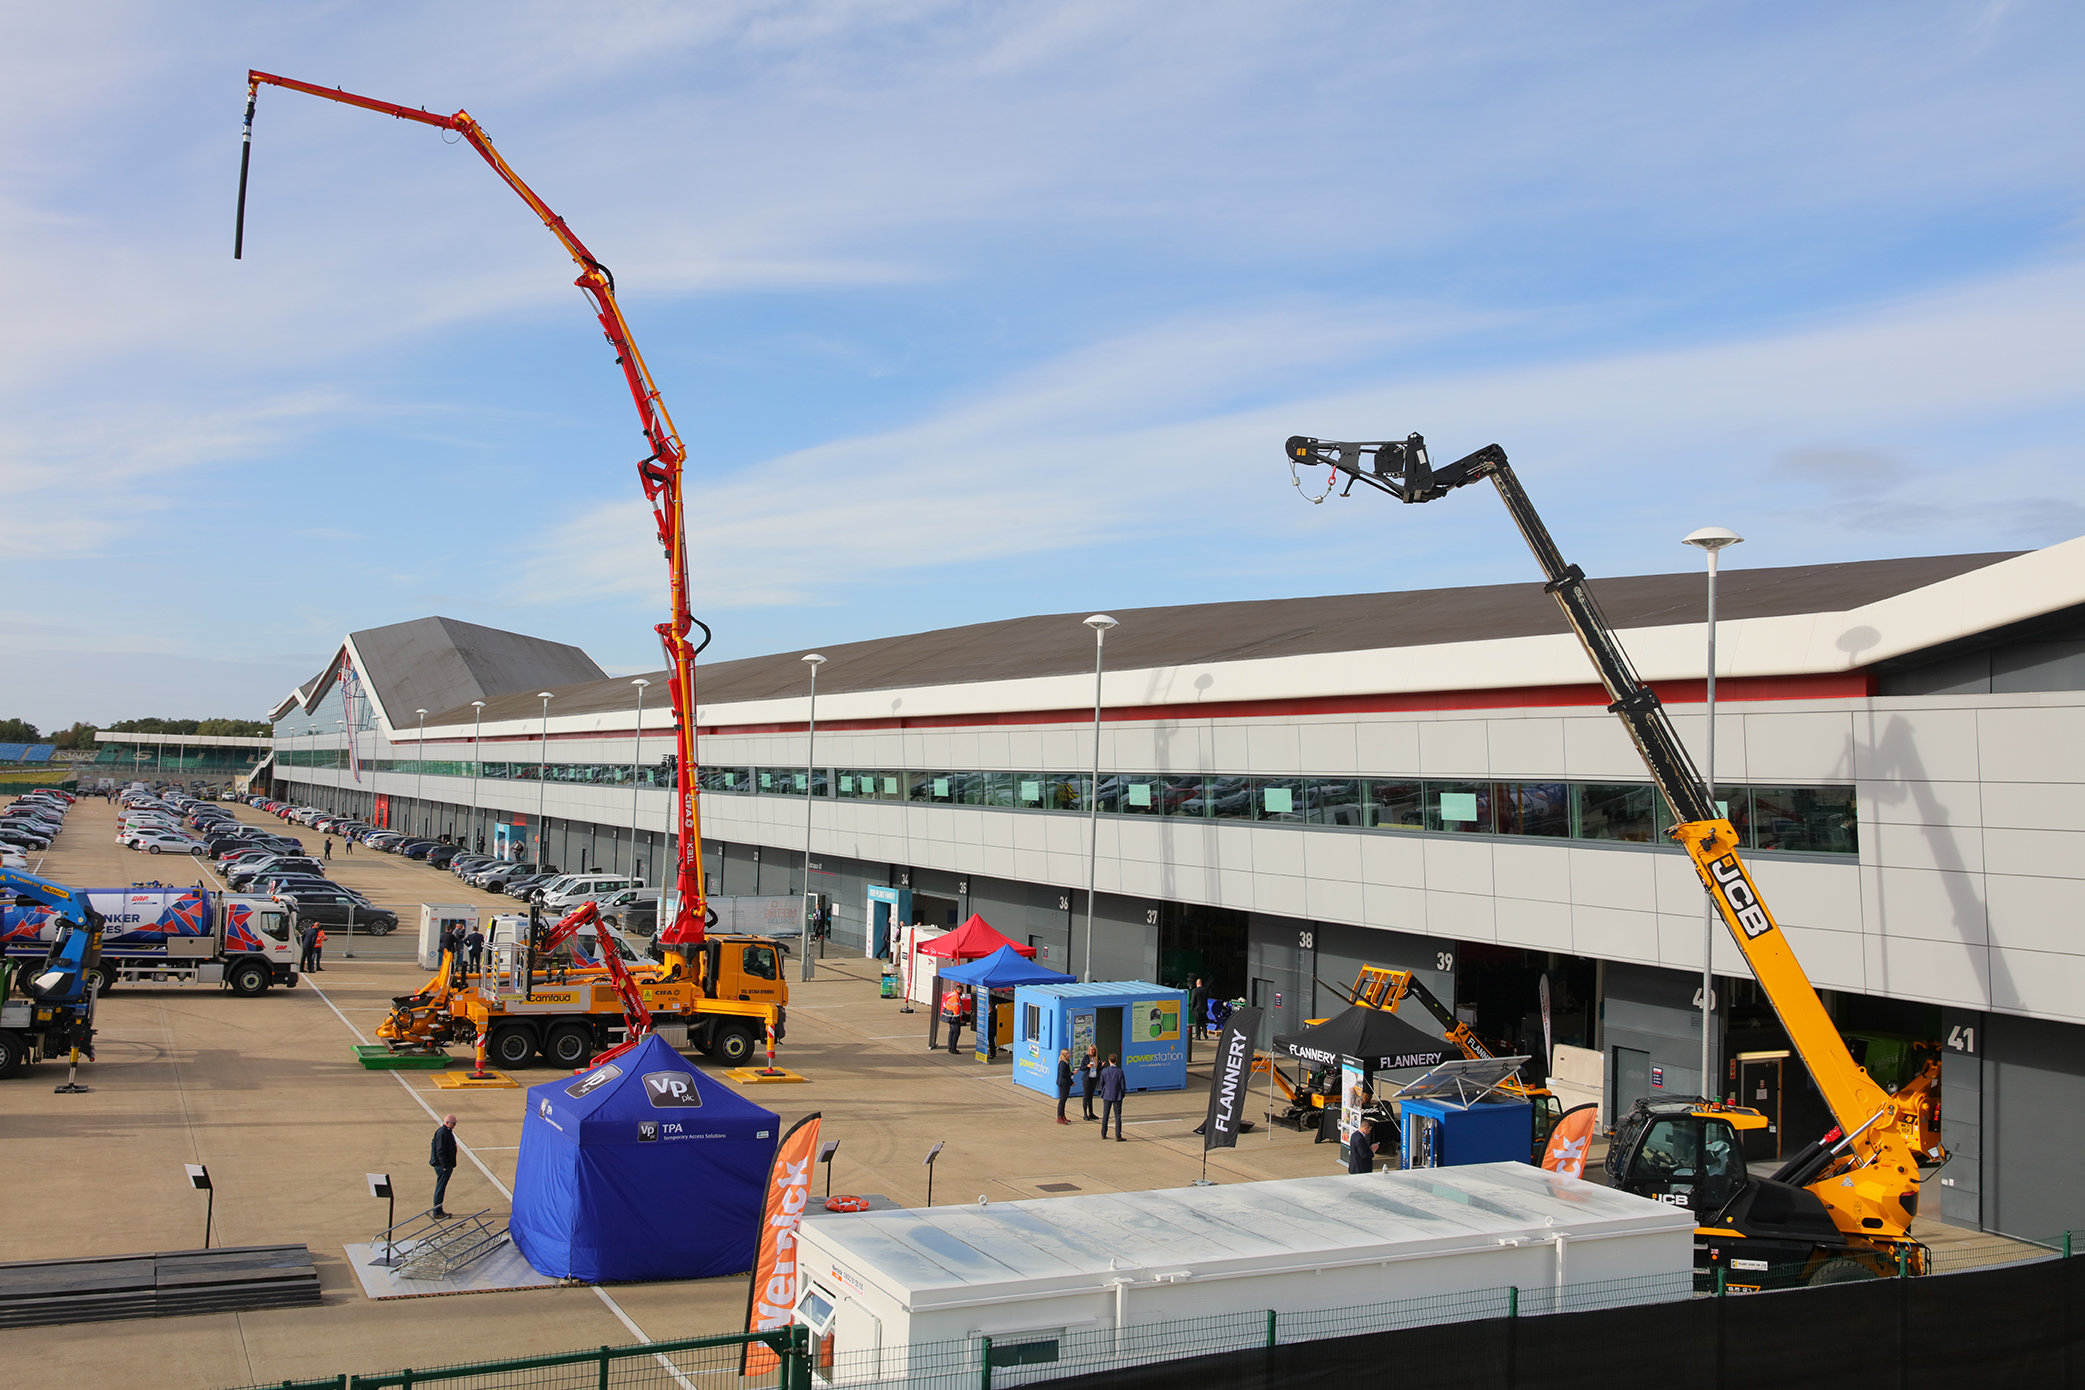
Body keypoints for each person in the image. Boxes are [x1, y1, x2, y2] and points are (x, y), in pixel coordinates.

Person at [429, 1114, 459, 1218]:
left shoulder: (446, 1132)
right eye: (453, 1123)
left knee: (441, 1187)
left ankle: (438, 1209)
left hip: (444, 1165)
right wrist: (445, 1165)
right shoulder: (443, 1133)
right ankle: (437, 1211)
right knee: (440, 1188)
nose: (455, 1125)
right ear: (447, 1123)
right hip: (442, 1166)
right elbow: (440, 1151)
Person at [1098, 1053, 1128, 1141]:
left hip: (1107, 1095)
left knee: (1105, 1115)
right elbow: (1123, 1085)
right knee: (1117, 1116)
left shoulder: (1104, 1071)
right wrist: (1122, 1094)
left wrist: (1103, 1091)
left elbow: (1101, 1083)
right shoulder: (1120, 1071)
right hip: (1117, 1095)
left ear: (1109, 1061)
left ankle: (1103, 1133)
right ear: (1116, 1060)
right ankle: (1118, 1135)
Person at [942, 985, 970, 1054]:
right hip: (954, 1017)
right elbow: (956, 1008)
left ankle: (950, 1046)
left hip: (950, 1016)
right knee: (956, 1032)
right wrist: (957, 1017)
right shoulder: (956, 997)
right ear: (959, 990)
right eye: (962, 991)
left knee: (951, 1031)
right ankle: (953, 1048)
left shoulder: (952, 995)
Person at [1054, 1048, 1074, 1124]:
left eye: (1069, 1053)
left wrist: (1072, 1081)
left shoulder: (1068, 1062)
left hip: (1067, 1082)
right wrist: (1072, 1073)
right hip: (1063, 1083)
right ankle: (1059, 1116)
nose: (1069, 1055)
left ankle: (1063, 1115)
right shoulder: (1062, 1063)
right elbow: (1063, 1074)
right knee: (1062, 1100)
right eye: (1067, 1054)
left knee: (1064, 1099)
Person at [1081, 1045, 1100, 1120]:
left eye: (1093, 1050)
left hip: (1093, 1078)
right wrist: (1087, 1066)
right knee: (1086, 1096)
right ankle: (1085, 1113)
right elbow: (1082, 1067)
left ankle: (1091, 1112)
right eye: (1090, 1050)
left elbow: (1098, 1068)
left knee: (1091, 1096)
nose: (1091, 1051)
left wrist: (1101, 1065)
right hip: (1087, 1079)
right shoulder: (1086, 1057)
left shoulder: (1096, 1057)